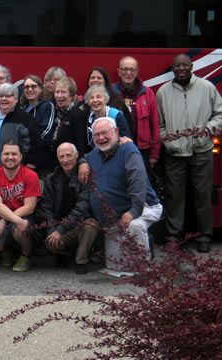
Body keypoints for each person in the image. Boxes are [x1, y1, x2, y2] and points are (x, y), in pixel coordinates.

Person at [157, 53, 222, 253]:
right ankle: (174, 237)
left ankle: (204, 236)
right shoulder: (163, 92)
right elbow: (159, 124)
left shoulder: (207, 88)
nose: (181, 69)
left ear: (192, 66)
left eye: (185, 65)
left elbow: (219, 115)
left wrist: (206, 132)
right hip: (174, 154)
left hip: (201, 151)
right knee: (175, 197)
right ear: (173, 68)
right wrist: (168, 142)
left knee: (202, 196)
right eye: (177, 66)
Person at [86, 117, 162, 274]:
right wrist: (82, 163)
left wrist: (134, 211)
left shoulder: (129, 150)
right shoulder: (94, 155)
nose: (101, 138)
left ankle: (144, 268)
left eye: (104, 133)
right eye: (96, 135)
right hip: (114, 218)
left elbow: (138, 183)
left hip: (143, 207)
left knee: (135, 225)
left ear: (116, 132)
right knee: (115, 267)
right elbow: (83, 156)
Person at [37, 142, 98, 275]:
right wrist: (52, 229)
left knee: (91, 225)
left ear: (76, 155)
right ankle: (67, 254)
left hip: (78, 226)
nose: (65, 160)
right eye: (61, 156)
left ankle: (81, 260)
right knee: (49, 242)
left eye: (69, 155)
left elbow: (83, 208)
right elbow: (46, 207)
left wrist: (60, 230)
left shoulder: (85, 175)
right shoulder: (51, 179)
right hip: (60, 226)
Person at [0, 140, 41, 272]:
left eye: (14, 154)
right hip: (1, 217)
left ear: (21, 156)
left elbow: (29, 207)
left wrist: (6, 219)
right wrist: (6, 219)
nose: (10, 157)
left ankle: (26, 256)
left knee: (21, 228)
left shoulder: (31, 175)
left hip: (23, 216)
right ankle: (5, 251)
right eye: (6, 154)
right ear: (1, 156)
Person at [112, 57, 161, 171]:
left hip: (142, 151)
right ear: (119, 72)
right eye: (125, 69)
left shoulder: (147, 93)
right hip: (116, 150)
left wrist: (154, 155)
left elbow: (155, 125)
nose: (128, 73)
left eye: (132, 69)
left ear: (137, 72)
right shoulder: (111, 93)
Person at [62, 85, 131, 157]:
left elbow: (126, 139)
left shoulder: (116, 115)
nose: (95, 100)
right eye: (91, 98)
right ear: (88, 102)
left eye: (98, 97)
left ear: (105, 99)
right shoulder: (88, 119)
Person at [0, 83, 36, 174]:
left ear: (16, 99)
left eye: (8, 96)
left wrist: (28, 162)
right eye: (1, 96)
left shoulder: (24, 119)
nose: (4, 99)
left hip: (15, 171)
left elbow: (32, 143)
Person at [19, 75, 56, 177]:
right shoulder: (22, 108)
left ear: (40, 88)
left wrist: (32, 158)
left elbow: (45, 135)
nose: (30, 89)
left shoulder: (48, 106)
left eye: (33, 86)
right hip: (22, 160)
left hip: (41, 163)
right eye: (26, 87)